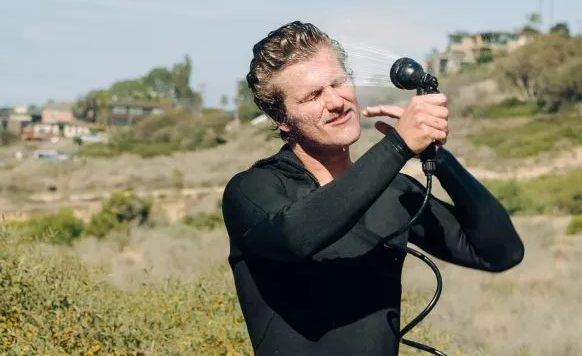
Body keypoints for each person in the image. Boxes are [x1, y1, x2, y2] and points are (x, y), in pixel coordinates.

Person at [221, 21, 525, 356]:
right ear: (280, 118)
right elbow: (295, 237)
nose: (336, 101)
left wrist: (438, 157)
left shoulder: (391, 191)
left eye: (338, 82)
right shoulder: (253, 189)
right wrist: (397, 147)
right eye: (313, 96)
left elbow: (499, 253)